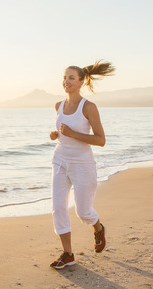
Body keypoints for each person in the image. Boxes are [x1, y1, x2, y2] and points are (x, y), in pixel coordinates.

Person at [49, 60, 115, 269]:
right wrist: (56, 135)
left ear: (81, 82)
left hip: (82, 165)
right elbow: (63, 133)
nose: (66, 81)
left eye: (71, 78)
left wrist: (73, 134)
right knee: (58, 208)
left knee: (83, 212)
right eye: (64, 77)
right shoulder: (58, 105)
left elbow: (100, 140)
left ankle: (98, 228)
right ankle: (68, 254)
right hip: (60, 161)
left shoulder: (89, 107)